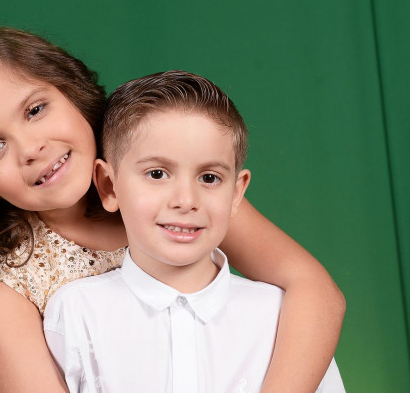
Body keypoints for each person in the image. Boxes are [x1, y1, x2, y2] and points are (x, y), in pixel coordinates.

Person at [0, 0, 345, 392]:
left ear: (72, 93)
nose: (30, 149)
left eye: (35, 110)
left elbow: (315, 291)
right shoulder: (7, 272)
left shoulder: (169, 181)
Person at [43, 70, 345, 392]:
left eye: (209, 178)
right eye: (157, 174)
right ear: (108, 185)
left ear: (236, 194)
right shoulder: (76, 312)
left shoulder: (283, 319)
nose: (186, 201)